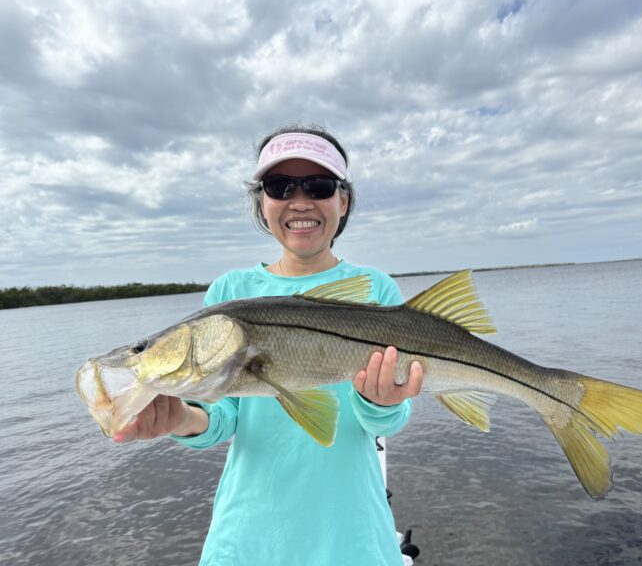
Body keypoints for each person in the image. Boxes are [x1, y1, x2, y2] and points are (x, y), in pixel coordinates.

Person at [112, 125, 424, 566]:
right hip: (248, 538)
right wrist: (179, 418)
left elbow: (388, 420)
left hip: (351, 533)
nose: (300, 201)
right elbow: (223, 416)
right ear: (262, 202)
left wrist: (383, 402)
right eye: (280, 186)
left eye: (319, 186)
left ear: (343, 201)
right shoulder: (230, 292)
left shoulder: (375, 288)